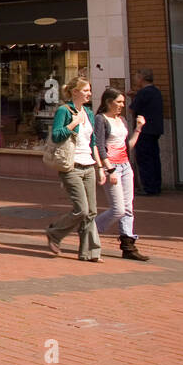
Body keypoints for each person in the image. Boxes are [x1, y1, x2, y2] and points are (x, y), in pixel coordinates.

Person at [45, 77, 106, 262]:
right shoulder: (64, 110)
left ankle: (90, 252)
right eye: (86, 90)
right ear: (75, 92)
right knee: (82, 210)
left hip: (89, 166)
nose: (89, 93)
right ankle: (54, 233)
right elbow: (56, 136)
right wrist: (73, 123)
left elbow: (93, 142)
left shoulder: (88, 112)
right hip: (71, 166)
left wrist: (100, 167)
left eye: (89, 90)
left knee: (92, 211)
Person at [95, 88, 149, 261]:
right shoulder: (101, 119)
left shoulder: (123, 120)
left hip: (125, 167)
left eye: (122, 102)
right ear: (108, 102)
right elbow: (99, 146)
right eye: (118, 102)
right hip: (112, 168)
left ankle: (128, 245)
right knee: (118, 209)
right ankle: (90, 230)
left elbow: (127, 146)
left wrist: (139, 129)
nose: (121, 105)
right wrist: (109, 169)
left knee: (128, 208)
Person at [129, 69, 164, 195]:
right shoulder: (156, 91)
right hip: (155, 129)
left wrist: (133, 98)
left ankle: (149, 187)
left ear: (142, 78)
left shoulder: (143, 93)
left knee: (144, 159)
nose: (135, 79)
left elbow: (132, 109)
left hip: (144, 130)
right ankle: (156, 186)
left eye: (137, 77)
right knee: (154, 158)